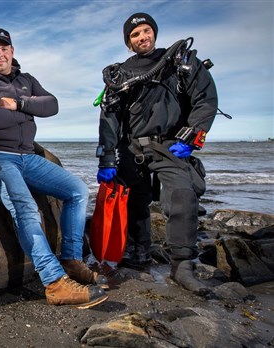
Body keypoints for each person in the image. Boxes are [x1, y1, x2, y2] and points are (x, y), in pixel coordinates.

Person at [0, 28, 108, 308]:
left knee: (77, 190)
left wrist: (18, 103)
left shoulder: (26, 80)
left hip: (29, 157)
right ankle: (54, 283)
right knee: (26, 208)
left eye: (4, 48)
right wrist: (29, 113)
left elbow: (53, 105)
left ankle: (70, 260)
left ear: (12, 51)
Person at [95, 13, 218, 286]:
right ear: (129, 41)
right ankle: (139, 254)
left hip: (169, 145)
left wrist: (191, 136)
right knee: (135, 203)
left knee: (182, 195)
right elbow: (109, 118)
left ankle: (182, 265)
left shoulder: (179, 63)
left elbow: (205, 98)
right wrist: (106, 157)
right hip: (131, 147)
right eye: (135, 34)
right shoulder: (120, 73)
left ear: (154, 33)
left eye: (146, 31)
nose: (142, 37)